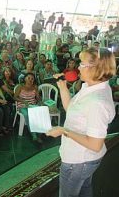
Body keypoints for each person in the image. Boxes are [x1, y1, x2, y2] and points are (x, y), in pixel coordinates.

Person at [47, 48, 116, 197]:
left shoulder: (97, 101)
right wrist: (63, 87)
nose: (78, 67)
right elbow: (71, 109)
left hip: (79, 160)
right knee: (85, 190)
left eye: (82, 64)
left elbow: (95, 144)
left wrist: (64, 131)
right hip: (83, 159)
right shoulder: (92, 87)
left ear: (94, 68)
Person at [14, 73, 42, 143]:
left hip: (32, 105)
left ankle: (40, 131)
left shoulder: (35, 87)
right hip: (22, 105)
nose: (30, 80)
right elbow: (15, 97)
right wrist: (23, 101)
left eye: (32, 78)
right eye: (28, 78)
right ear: (25, 79)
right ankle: (34, 134)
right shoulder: (20, 86)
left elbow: (38, 98)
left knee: (39, 112)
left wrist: (40, 102)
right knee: (27, 114)